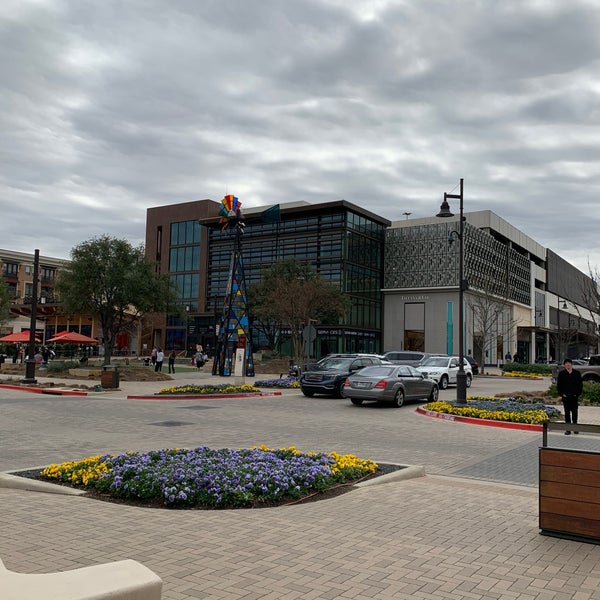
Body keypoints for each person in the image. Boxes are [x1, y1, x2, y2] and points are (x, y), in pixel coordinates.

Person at [556, 357, 583, 435]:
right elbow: (559, 386)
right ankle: (568, 429)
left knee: (575, 412)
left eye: (569, 363)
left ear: (571, 364)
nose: (568, 365)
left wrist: (577, 394)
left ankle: (575, 428)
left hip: (574, 397)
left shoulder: (577, 373)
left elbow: (580, 385)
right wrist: (562, 394)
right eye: (566, 363)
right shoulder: (562, 374)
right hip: (566, 397)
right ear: (564, 365)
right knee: (567, 413)